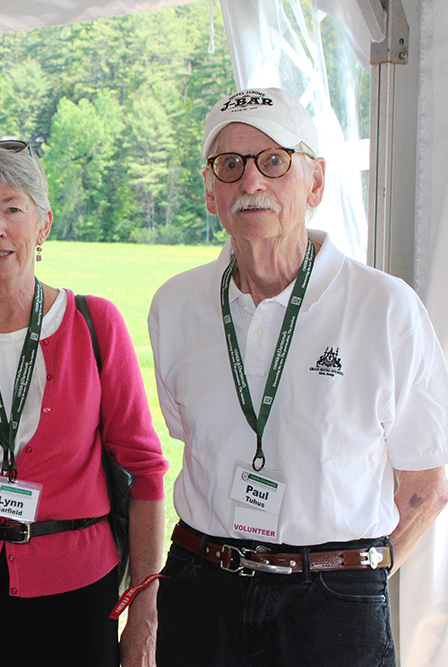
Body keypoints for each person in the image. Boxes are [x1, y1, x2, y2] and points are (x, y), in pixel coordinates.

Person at [149, 87, 448, 666]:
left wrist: (354, 581)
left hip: (332, 603)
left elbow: (424, 487)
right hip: (203, 587)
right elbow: (192, 437)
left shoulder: (385, 308)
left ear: (314, 182)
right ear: (210, 191)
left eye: (274, 161)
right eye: (229, 165)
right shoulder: (176, 306)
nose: (251, 183)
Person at [0, 141, 169, 667]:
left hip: (76, 595)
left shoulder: (97, 324)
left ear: (42, 225)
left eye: (12, 208)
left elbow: (147, 472)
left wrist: (145, 610)